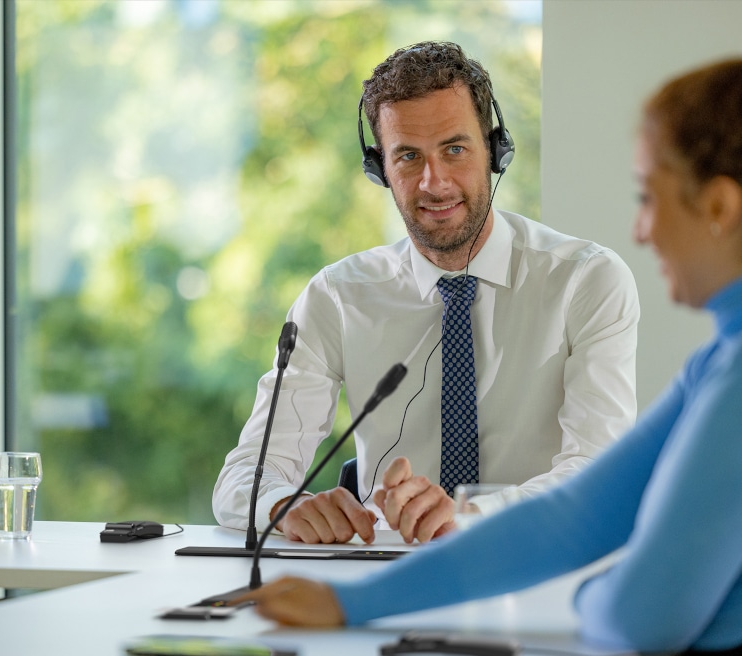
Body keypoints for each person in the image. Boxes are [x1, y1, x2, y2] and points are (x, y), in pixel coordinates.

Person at [239, 35, 742, 656]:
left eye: (646, 198)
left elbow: (639, 616)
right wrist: (349, 604)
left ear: (719, 207)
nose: (640, 229)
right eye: (408, 156)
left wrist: (585, 596)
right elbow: (575, 516)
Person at [212, 41, 640, 544]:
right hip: (385, 573)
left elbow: (598, 475)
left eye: (455, 150)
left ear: (495, 150)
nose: (433, 183)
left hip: (531, 562)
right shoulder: (337, 297)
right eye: (408, 157)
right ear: (380, 169)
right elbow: (243, 479)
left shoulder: (586, 280)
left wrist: (468, 514)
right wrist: (284, 506)